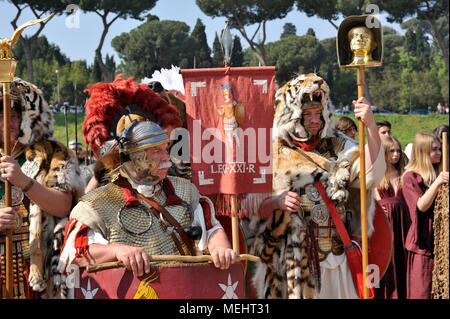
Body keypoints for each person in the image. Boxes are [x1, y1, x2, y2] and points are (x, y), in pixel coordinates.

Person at [58, 76, 236, 286]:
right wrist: (116, 251)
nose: (167, 158)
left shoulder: (184, 190)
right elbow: (72, 254)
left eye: (165, 149)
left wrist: (219, 247)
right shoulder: (96, 203)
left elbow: (212, 229)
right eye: (156, 152)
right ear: (132, 157)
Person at [247, 73, 386, 299]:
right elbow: (247, 207)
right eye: (307, 114)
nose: (314, 120)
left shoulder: (340, 145)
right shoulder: (270, 153)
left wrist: (370, 126)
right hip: (293, 264)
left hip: (338, 257)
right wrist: (276, 201)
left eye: (318, 113)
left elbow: (370, 177)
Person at [0, 78, 84, 298]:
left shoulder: (53, 153)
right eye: (1, 116)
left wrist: (24, 182)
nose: (8, 122)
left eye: (16, 116)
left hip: (40, 268)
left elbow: (64, 206)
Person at [402, 131, 449, 299]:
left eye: (439, 149)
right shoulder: (411, 177)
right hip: (423, 244)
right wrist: (437, 183)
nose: (439, 153)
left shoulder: (440, 173)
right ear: (423, 152)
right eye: (434, 149)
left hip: (442, 244)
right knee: (422, 291)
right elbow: (420, 206)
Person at [374, 136, 409, 299]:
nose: (395, 155)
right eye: (391, 151)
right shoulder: (377, 175)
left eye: (398, 151)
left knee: (404, 260)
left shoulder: (405, 174)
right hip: (386, 224)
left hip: (405, 222)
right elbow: (372, 202)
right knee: (388, 260)